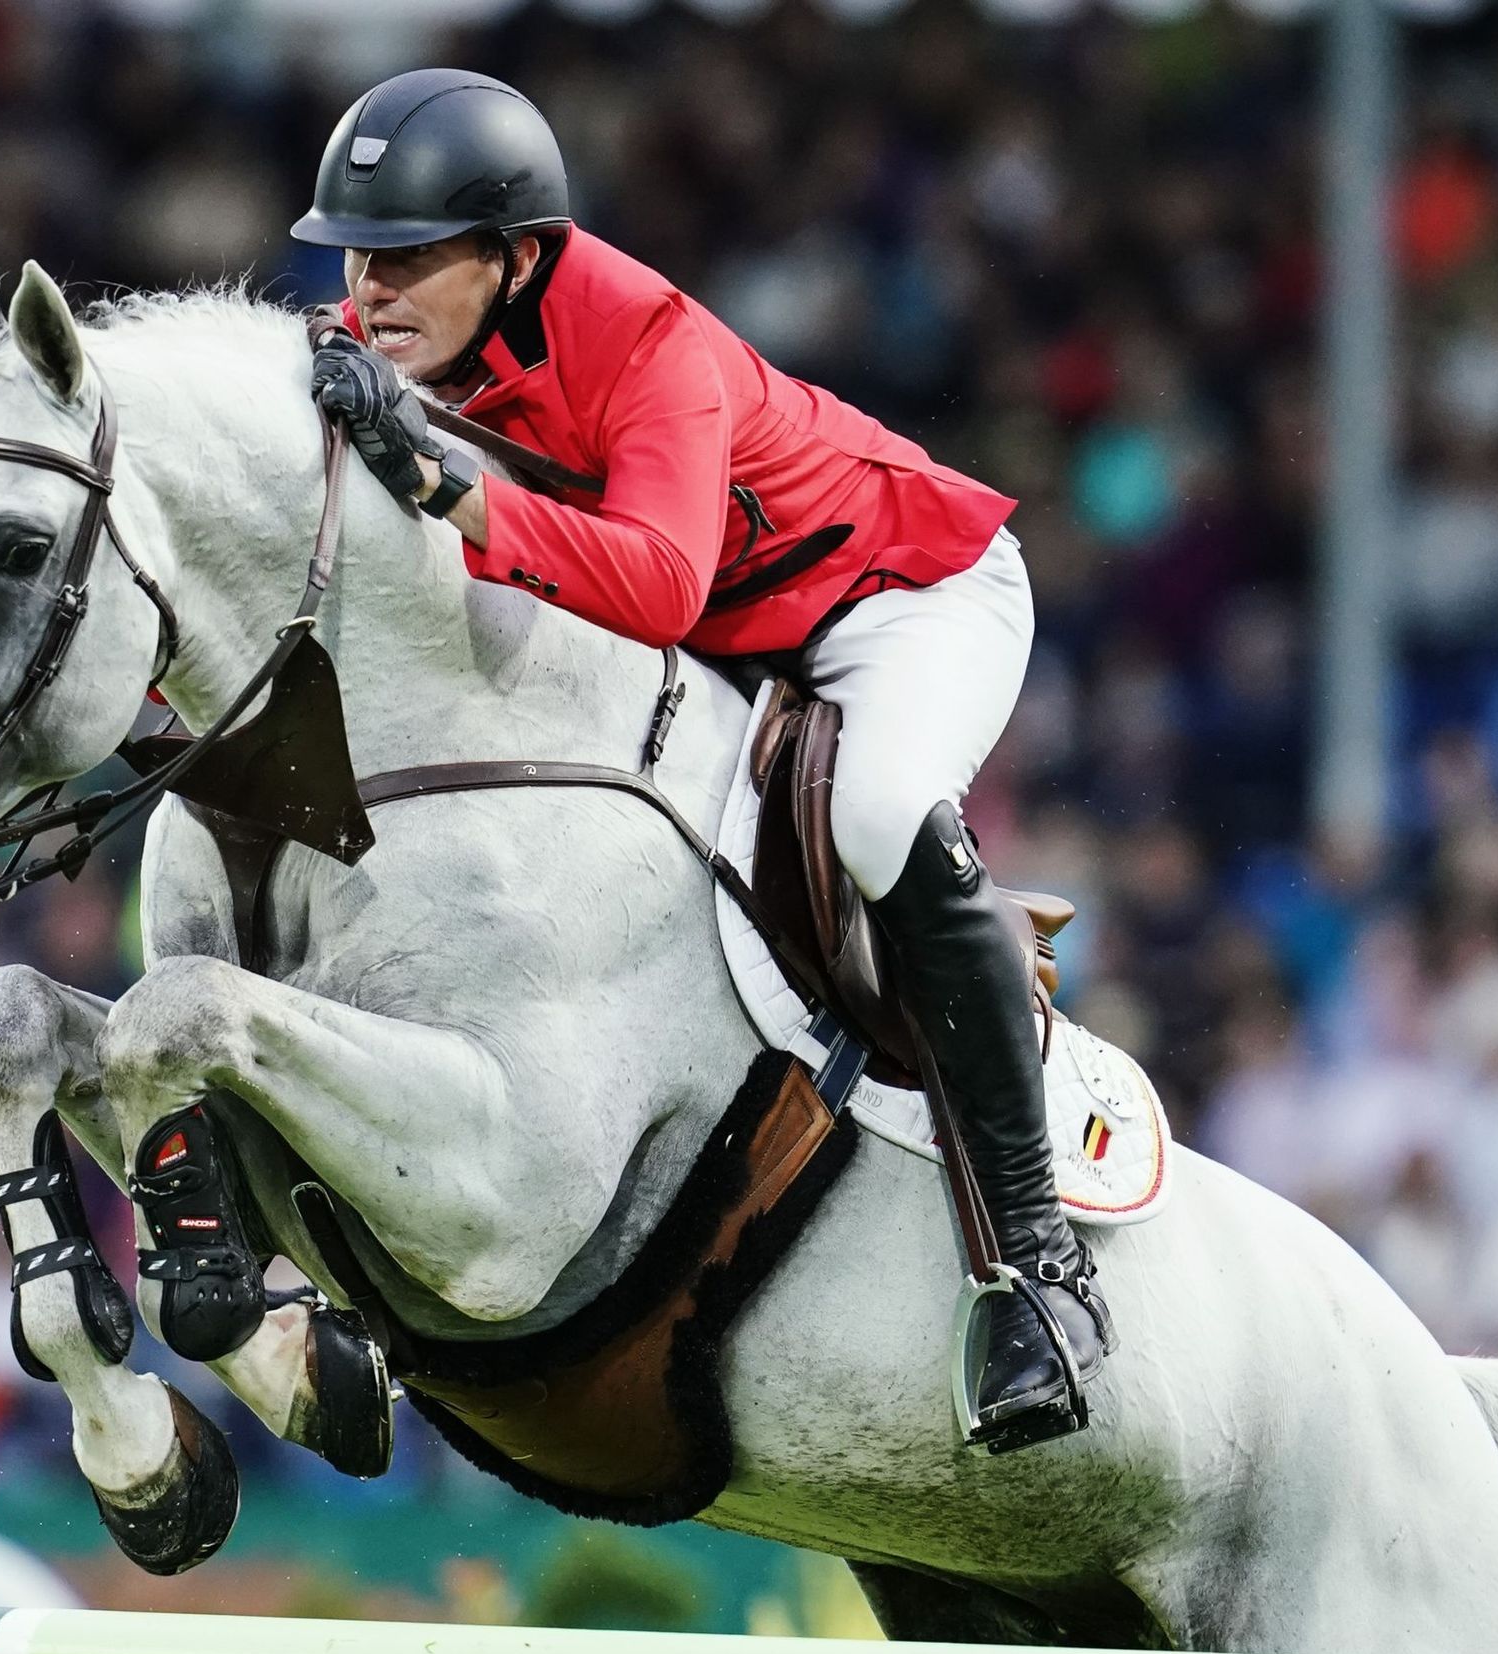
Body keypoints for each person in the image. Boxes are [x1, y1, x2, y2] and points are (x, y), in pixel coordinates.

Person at [291, 69, 1112, 1453]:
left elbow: (664, 584)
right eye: (362, 253)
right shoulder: (389, 340)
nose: (371, 288)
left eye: (413, 256)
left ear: (516, 257)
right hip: (730, 646)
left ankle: (1041, 1264)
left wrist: (444, 486)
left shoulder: (650, 340)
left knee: (875, 811)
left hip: (900, 603)